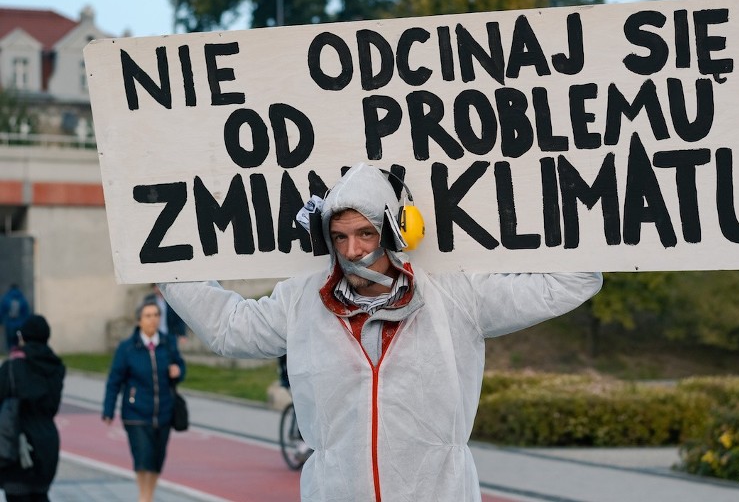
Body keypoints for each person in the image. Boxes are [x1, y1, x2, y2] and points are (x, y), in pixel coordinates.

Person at [161, 162, 603, 501]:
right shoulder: (302, 300)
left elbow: (571, 281)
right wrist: (161, 265)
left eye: (366, 234)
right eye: (339, 236)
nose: (352, 250)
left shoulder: (457, 295)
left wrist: (558, 198)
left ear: (395, 230)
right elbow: (230, 330)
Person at [102, 297, 186, 502]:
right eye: (148, 316)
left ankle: (149, 494)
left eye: (156, 315)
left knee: (157, 460)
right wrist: (108, 410)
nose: (153, 320)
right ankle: (144, 497)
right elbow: (115, 380)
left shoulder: (167, 343)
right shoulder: (127, 348)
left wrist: (178, 371)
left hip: (164, 412)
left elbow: (180, 366)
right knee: (143, 459)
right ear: (139, 320)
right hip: (136, 413)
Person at [0, 315, 66, 502]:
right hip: (47, 442)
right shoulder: (56, 367)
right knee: (40, 494)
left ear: (24, 337)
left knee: (17, 494)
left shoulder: (13, 366)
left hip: (17, 444)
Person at [0, 285, 31, 353]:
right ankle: (18, 354)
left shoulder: (6, 298)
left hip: (9, 325)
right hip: (20, 325)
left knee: (10, 341)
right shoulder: (22, 299)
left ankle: (11, 354)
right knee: (18, 340)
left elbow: (1, 311)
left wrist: (1, 321)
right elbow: (26, 313)